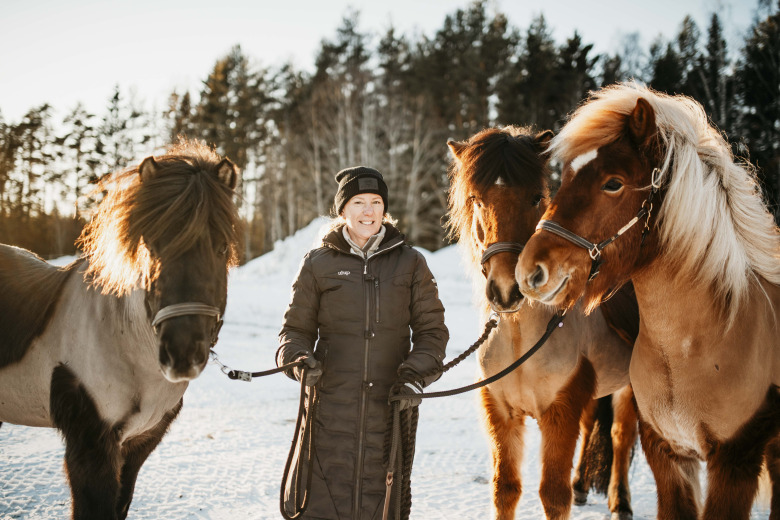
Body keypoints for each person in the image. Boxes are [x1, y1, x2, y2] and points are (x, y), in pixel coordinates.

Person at [276, 166, 449, 520]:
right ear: (343, 210)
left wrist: (415, 375)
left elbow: (432, 332)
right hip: (328, 411)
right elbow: (294, 331)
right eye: (358, 202)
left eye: (376, 202)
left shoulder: (412, 263)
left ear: (385, 208)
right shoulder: (317, 263)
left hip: (390, 410)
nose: (368, 211)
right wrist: (297, 359)